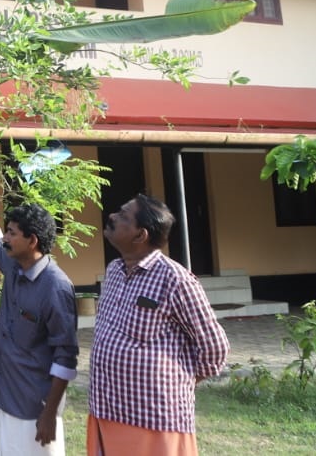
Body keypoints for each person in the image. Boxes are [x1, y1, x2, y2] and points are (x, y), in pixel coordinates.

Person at [87, 193, 230, 455]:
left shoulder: (175, 279)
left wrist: (179, 382)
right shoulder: (114, 270)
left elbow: (215, 347)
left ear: (140, 235)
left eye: (123, 215)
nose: (112, 216)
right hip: (107, 410)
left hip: (154, 418)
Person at [0, 172, 78, 456]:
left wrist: (49, 413)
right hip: (6, 395)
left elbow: (65, 355)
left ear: (31, 240)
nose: (6, 238)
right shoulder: (14, 265)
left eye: (12, 233)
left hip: (35, 409)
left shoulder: (55, 287)